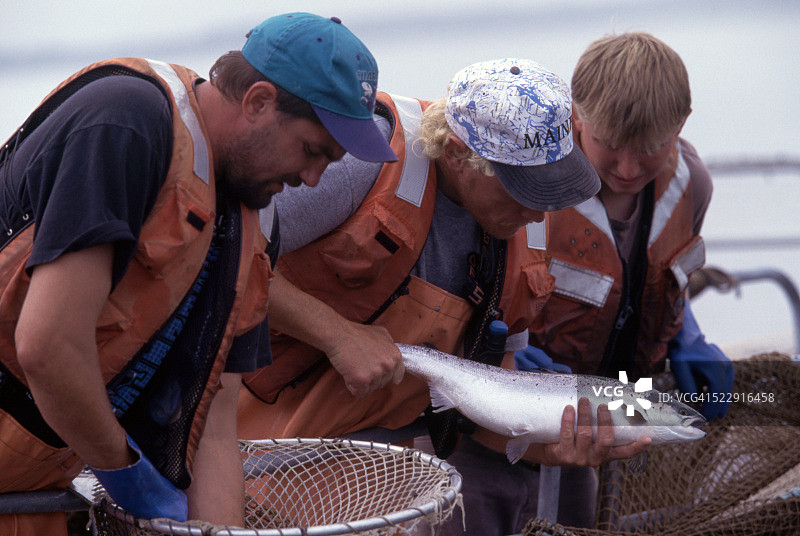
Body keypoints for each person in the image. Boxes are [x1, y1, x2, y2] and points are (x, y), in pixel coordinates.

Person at [0, 12, 396, 536]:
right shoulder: (128, 123)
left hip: (38, 483)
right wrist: (125, 472)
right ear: (257, 101)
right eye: (312, 150)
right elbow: (48, 345)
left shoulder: (256, 223)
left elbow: (213, 420)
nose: (312, 178)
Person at [237, 57, 650, 491]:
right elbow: (222, 258)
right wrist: (336, 334)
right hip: (251, 451)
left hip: (374, 476)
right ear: (456, 154)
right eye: (521, 188)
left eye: (549, 187)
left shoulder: (529, 226)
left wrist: (549, 448)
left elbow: (485, 411)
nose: (537, 211)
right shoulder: (364, 162)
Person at [440, 32, 736, 533]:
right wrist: (511, 358)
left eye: (649, 151)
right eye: (611, 145)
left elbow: (664, 277)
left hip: (602, 425)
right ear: (576, 116)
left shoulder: (694, 185)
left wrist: (689, 338)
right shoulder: (529, 188)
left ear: (681, 125)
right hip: (497, 420)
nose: (627, 168)